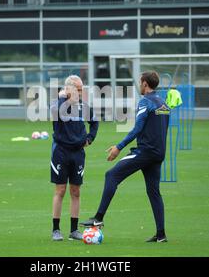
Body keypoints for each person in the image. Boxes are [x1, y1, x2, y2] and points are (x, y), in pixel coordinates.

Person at [80, 71, 169, 242]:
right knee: (153, 192)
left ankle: (98, 218)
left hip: (145, 152)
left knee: (111, 175)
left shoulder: (146, 101)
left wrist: (118, 147)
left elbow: (137, 128)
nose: (139, 85)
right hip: (158, 153)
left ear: (144, 84)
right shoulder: (163, 104)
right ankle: (161, 234)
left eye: (140, 82)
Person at [50, 75, 99, 241]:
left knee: (76, 191)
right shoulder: (58, 105)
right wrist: (61, 97)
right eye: (77, 89)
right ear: (68, 89)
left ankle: (73, 230)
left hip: (78, 153)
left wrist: (90, 138)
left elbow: (94, 121)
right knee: (60, 190)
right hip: (60, 152)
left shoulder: (83, 107)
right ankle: (56, 229)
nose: (80, 92)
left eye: (81, 89)